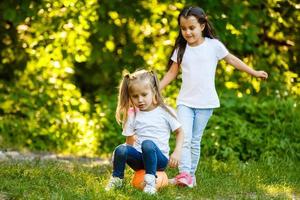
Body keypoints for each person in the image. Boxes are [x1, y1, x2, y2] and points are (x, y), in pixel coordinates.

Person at [160, 6, 268, 188]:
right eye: (183, 28)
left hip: (206, 103)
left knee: (195, 141)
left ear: (202, 25)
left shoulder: (214, 46)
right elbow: (171, 73)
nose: (187, 32)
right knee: (184, 137)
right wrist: (156, 90)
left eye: (191, 28)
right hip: (185, 102)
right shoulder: (181, 49)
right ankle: (184, 174)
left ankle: (190, 177)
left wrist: (254, 72)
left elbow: (233, 60)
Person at [105, 69, 184, 194]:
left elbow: (180, 132)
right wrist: (122, 155)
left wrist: (177, 152)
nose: (140, 100)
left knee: (147, 144)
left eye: (144, 94)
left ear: (154, 91)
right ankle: (117, 180)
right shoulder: (133, 114)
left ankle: (151, 183)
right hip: (140, 160)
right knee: (120, 149)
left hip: (159, 160)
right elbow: (129, 141)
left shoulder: (165, 111)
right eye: (135, 96)